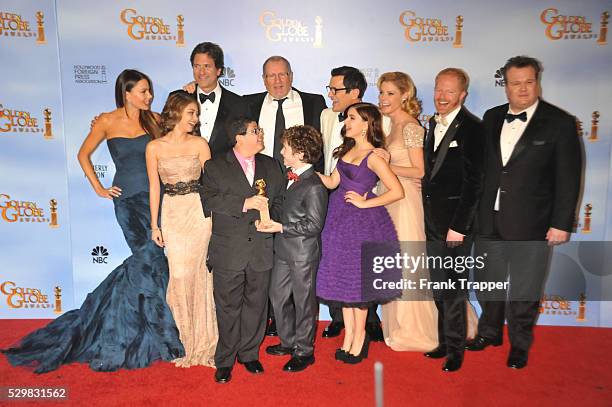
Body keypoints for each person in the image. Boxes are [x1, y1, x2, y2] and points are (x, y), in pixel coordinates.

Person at [2, 69, 184, 373]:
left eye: (149, 90)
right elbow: (83, 154)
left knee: (153, 264)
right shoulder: (105, 121)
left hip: (157, 200)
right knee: (149, 259)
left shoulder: (153, 120)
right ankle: (157, 334)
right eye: (142, 91)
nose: (148, 96)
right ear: (126, 93)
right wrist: (98, 187)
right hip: (127, 202)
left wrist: (187, 89)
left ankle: (140, 327)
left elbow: (178, 134)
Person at [469, 56, 581, 369]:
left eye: (528, 82)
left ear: (537, 82)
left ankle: (519, 344)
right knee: (487, 282)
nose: (522, 89)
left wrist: (561, 223)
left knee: (524, 289)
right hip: (488, 220)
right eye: (515, 83)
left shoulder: (559, 122)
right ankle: (489, 331)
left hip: (532, 223)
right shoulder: (491, 118)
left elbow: (569, 177)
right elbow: (482, 172)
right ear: (505, 86)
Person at [243, 55, 326, 335]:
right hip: (264, 187)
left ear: (291, 75)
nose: (277, 81)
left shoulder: (315, 103)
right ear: (263, 79)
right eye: (270, 76)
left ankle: (300, 341)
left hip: (302, 184)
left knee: (302, 284)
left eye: (282, 75)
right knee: (273, 264)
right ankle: (277, 324)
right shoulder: (247, 103)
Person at [316, 102, 404, 364]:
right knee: (344, 281)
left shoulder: (375, 156)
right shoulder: (347, 150)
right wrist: (306, 172)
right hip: (338, 220)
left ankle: (359, 336)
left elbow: (396, 191)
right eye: (346, 119)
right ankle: (349, 336)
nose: (346, 123)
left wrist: (366, 202)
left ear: (367, 123)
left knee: (359, 283)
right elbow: (333, 182)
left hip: (363, 224)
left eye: (352, 118)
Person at [201, 117, 284, 383]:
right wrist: (244, 203)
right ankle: (225, 359)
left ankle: (249, 354)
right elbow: (208, 199)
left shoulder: (271, 165)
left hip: (261, 248)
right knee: (227, 307)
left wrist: (274, 221)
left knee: (257, 306)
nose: (260, 134)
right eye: (255, 131)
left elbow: (282, 200)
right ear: (239, 137)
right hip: (229, 250)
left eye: (259, 130)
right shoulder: (214, 166)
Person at [145, 91, 218, 367]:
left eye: (197, 113)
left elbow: (211, 185)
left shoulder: (200, 144)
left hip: (198, 213)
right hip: (172, 213)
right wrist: (155, 224)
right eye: (191, 113)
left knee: (199, 274)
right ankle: (186, 342)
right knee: (179, 275)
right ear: (175, 113)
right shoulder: (154, 148)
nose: (196, 119)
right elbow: (155, 187)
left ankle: (205, 343)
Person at [421, 68, 484, 372]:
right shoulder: (432, 124)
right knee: (437, 287)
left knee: (455, 288)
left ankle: (456, 350)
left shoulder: (473, 129)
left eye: (449, 91)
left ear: (462, 95)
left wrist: (459, 226)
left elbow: (475, 184)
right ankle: (445, 341)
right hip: (432, 222)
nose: (442, 97)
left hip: (456, 225)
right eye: (438, 89)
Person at [375, 72, 439, 353]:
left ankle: (416, 329)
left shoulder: (412, 127)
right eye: (381, 93)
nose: (383, 99)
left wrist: (384, 165)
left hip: (406, 203)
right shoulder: (391, 127)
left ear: (404, 95)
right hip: (389, 200)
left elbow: (420, 171)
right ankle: (398, 325)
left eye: (390, 93)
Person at [319, 66, 384, 341]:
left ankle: (368, 322)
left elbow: (384, 170)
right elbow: (331, 175)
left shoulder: (376, 129)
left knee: (361, 267)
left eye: (336, 90)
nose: (331, 95)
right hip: (334, 204)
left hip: (363, 209)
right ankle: (338, 320)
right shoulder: (325, 115)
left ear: (355, 92)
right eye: (329, 89)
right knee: (335, 262)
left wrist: (369, 199)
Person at [257, 125, 328, 372]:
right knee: (277, 296)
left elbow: (314, 225)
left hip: (303, 254)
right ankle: (288, 342)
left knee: (304, 303)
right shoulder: (290, 177)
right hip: (283, 251)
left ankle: (304, 351)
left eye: (285, 147)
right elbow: (282, 208)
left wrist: (280, 227)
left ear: (299, 153)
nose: (281, 151)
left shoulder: (315, 185)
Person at [183, 42, 247, 157]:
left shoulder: (237, 103)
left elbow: (244, 144)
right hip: (186, 172)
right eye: (197, 66)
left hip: (226, 172)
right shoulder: (180, 100)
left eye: (207, 66)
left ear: (219, 70)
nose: (201, 72)